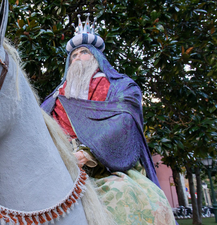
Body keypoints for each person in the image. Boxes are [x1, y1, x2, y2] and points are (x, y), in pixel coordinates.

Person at [41, 15, 176, 224]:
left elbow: (124, 122)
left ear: (96, 57)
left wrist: (87, 153)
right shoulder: (54, 98)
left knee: (128, 196)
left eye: (83, 52)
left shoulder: (122, 87)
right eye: (73, 55)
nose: (77, 57)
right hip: (59, 166)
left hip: (109, 169)